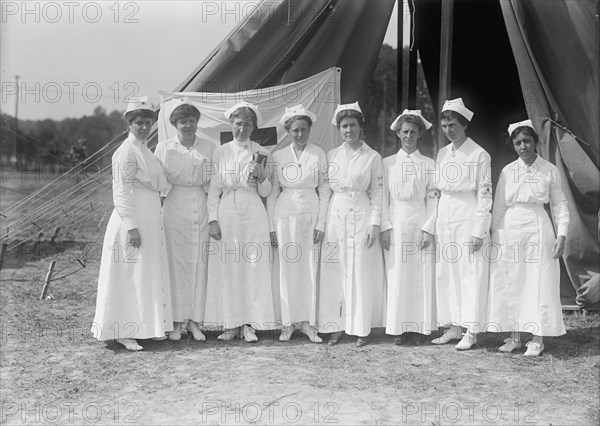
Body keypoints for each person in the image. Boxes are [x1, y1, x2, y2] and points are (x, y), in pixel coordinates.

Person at [91, 96, 172, 351]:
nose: (145, 127)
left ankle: (146, 327)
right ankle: (124, 331)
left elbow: (161, 184)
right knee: (129, 274)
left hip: (149, 216)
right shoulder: (124, 151)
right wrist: (132, 226)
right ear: (129, 123)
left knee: (144, 273)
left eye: (148, 122)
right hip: (132, 220)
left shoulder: (146, 150)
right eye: (139, 123)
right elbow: (121, 192)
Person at [487, 119, 569, 356]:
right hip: (511, 228)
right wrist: (494, 234)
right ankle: (514, 337)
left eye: (527, 141)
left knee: (538, 281)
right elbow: (499, 206)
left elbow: (560, 205)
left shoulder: (549, 170)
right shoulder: (508, 171)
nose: (523, 146)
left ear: (535, 142)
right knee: (513, 281)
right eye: (518, 143)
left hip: (538, 228)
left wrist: (561, 234)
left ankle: (537, 338)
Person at [204, 101, 276, 342]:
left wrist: (262, 176)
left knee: (253, 266)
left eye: (247, 124)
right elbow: (214, 190)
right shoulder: (220, 151)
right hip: (227, 211)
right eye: (238, 124)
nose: (242, 129)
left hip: (253, 210)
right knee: (229, 267)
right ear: (231, 125)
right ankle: (231, 323)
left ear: (253, 127)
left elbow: (267, 192)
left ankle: (250, 324)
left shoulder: (262, 153)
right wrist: (212, 220)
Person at [318, 102, 386, 347]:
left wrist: (375, 224)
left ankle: (360, 328)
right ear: (339, 129)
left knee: (359, 271)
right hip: (336, 213)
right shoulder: (332, 155)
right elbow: (325, 191)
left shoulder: (372, 156)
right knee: (336, 271)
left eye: (353, 125)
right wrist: (321, 223)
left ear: (361, 127)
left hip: (361, 213)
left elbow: (378, 192)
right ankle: (336, 326)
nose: (348, 130)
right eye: (344, 126)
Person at [430, 98, 492, 350]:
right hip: (446, 217)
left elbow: (485, 196)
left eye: (453, 124)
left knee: (469, 274)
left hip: (468, 217)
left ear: (464, 124)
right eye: (444, 125)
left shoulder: (480, 154)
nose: (448, 130)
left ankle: (471, 330)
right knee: (447, 273)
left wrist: (479, 231)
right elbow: (436, 192)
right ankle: (453, 326)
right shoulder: (443, 153)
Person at [267, 105, 329, 343]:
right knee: (287, 268)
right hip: (285, 215)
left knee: (309, 267)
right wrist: (272, 227)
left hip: (311, 213)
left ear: (309, 129)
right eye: (295, 130)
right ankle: (288, 323)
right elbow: (272, 193)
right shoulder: (279, 155)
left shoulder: (318, 153)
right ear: (288, 131)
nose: (300, 134)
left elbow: (324, 189)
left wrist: (321, 223)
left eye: (303, 129)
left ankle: (308, 323)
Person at [154, 99, 215, 341]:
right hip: (174, 206)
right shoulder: (164, 148)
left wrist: (214, 216)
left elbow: (213, 184)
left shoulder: (209, 147)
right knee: (176, 264)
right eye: (183, 121)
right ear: (174, 124)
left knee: (199, 263)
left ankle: (194, 321)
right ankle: (176, 322)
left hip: (200, 205)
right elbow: (157, 181)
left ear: (197, 122)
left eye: (191, 120)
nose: (188, 125)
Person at [380, 110, 437, 344]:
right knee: (398, 275)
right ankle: (398, 327)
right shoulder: (388, 163)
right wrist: (384, 226)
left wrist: (428, 228)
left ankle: (419, 328)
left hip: (419, 217)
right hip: (396, 220)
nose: (409, 136)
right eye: (405, 132)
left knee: (419, 274)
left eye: (413, 132)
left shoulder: (429, 164)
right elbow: (381, 197)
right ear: (398, 134)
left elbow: (433, 198)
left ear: (419, 135)